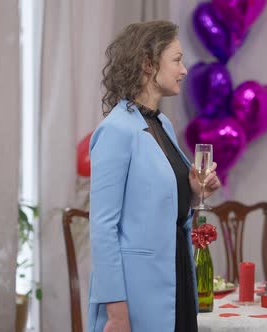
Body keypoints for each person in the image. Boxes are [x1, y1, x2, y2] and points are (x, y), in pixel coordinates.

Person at [88, 21, 221, 332]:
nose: (184, 69)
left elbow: (157, 204)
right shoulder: (115, 130)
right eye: (176, 59)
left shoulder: (162, 123)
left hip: (175, 275)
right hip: (137, 292)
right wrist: (117, 312)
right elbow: (103, 228)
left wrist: (195, 193)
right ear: (148, 64)